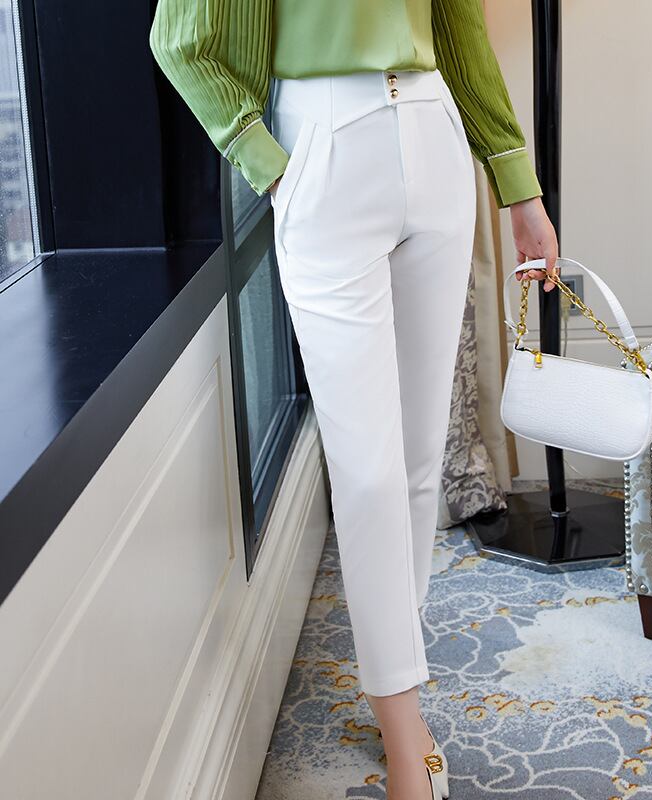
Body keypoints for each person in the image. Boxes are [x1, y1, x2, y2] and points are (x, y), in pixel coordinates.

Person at [148, 1, 559, 797]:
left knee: (416, 460)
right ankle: (403, 730)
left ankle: (398, 696)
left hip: (435, 135)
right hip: (323, 142)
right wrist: (269, 163)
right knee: (367, 475)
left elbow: (459, 26)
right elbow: (181, 40)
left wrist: (519, 188)